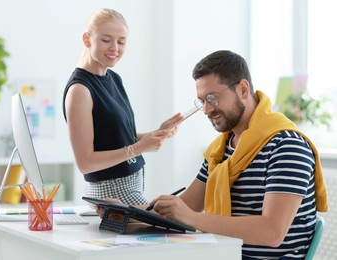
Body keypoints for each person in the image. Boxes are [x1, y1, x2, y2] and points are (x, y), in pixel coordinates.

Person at [144, 50, 328, 259]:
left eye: (212, 98)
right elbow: (186, 205)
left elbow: (271, 232)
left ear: (242, 89)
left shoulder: (286, 146)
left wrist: (191, 218)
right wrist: (127, 214)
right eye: (201, 101)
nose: (206, 110)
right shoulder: (221, 150)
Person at [62, 8, 182, 205]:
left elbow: (115, 138)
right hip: (111, 193)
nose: (115, 48)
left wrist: (157, 134)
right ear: (87, 39)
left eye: (121, 41)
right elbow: (85, 162)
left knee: (174, 221)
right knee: (175, 224)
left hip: (132, 186)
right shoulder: (80, 90)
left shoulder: (113, 79)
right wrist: (139, 148)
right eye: (106, 40)